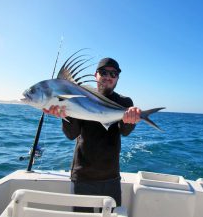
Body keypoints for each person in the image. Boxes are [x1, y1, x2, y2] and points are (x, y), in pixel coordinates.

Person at [43, 57, 141, 212]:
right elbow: (71, 134)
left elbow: (124, 131)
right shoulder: (81, 95)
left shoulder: (124, 102)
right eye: (103, 72)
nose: (108, 77)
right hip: (82, 176)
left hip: (111, 177)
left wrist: (131, 120)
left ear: (117, 78)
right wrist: (64, 116)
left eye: (113, 74)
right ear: (96, 75)